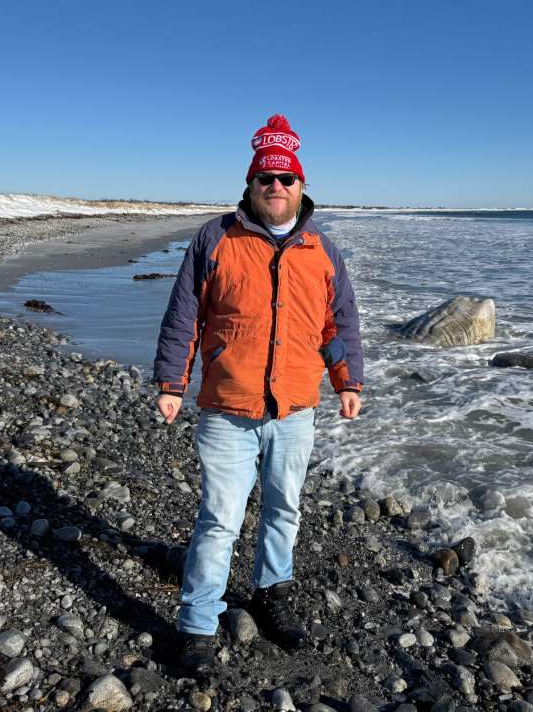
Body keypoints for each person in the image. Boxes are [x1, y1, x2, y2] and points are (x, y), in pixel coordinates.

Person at [153, 114, 364, 675]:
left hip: (296, 407)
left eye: (286, 177)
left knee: (284, 508)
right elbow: (185, 316)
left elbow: (337, 324)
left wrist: (348, 382)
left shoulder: (323, 250)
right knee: (220, 517)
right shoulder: (216, 238)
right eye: (266, 177)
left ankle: (271, 593)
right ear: (250, 184)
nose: (276, 186)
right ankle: (198, 623)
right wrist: (173, 382)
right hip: (228, 405)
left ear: (302, 186)